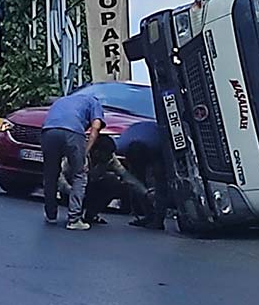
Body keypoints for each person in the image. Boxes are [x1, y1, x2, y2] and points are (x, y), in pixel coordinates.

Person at [40, 91, 105, 231]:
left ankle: (50, 214)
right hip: (73, 132)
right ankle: (74, 219)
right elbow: (96, 128)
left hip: (48, 131)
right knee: (79, 175)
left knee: (50, 175)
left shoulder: (63, 100)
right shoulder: (94, 102)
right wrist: (85, 153)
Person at [58, 135, 149, 226]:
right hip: (70, 191)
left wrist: (145, 192)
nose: (110, 157)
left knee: (113, 181)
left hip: (89, 189)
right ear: (97, 152)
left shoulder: (110, 159)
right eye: (108, 154)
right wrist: (69, 190)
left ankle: (91, 214)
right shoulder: (80, 155)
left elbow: (126, 176)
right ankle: (75, 214)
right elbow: (60, 175)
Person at [116, 121, 172, 230]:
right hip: (139, 137)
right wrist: (143, 191)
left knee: (160, 180)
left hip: (159, 141)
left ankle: (158, 219)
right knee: (137, 179)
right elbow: (132, 179)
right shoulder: (121, 145)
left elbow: (161, 178)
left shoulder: (156, 144)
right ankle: (148, 215)